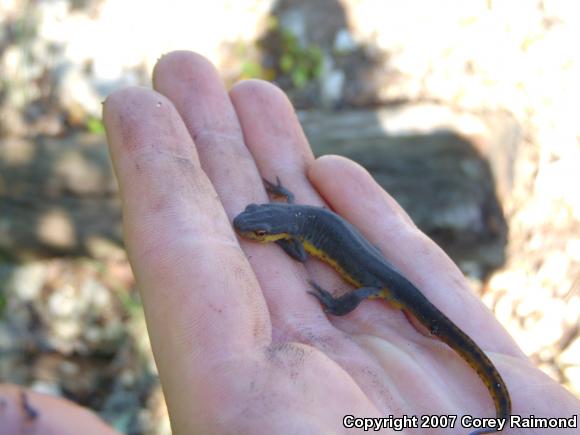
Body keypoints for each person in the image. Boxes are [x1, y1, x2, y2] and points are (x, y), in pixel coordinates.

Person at [1, 51, 578, 434]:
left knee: (384, 298)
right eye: (256, 227)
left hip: (383, 283)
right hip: (358, 255)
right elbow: (284, 214)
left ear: (274, 228)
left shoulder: (295, 230)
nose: (251, 233)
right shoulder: (288, 216)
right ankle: (505, 407)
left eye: (257, 232)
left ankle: (504, 404)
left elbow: (298, 239)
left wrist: (333, 302)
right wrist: (276, 208)